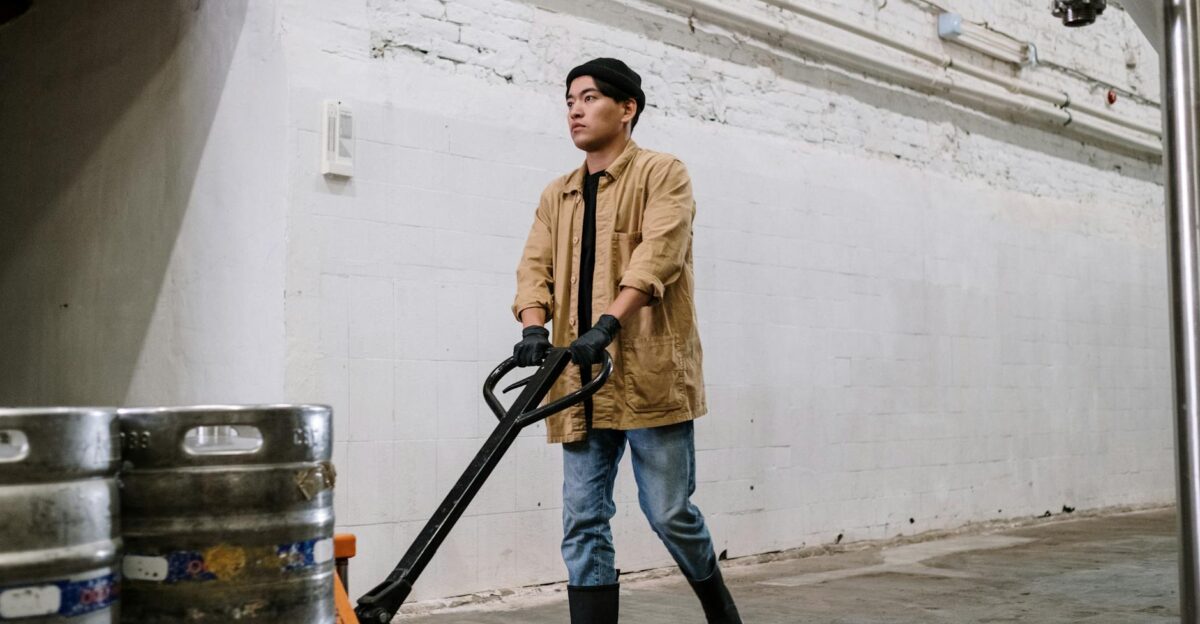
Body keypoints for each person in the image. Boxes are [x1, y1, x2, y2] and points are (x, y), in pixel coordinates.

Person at [511, 58, 742, 624]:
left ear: (628, 108)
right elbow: (533, 266)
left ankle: (721, 612)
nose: (575, 110)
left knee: (668, 512)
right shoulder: (557, 193)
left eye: (588, 98)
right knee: (583, 518)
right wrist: (534, 326)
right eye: (569, 100)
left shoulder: (663, 174)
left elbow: (656, 257)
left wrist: (608, 325)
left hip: (647, 373)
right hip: (576, 377)